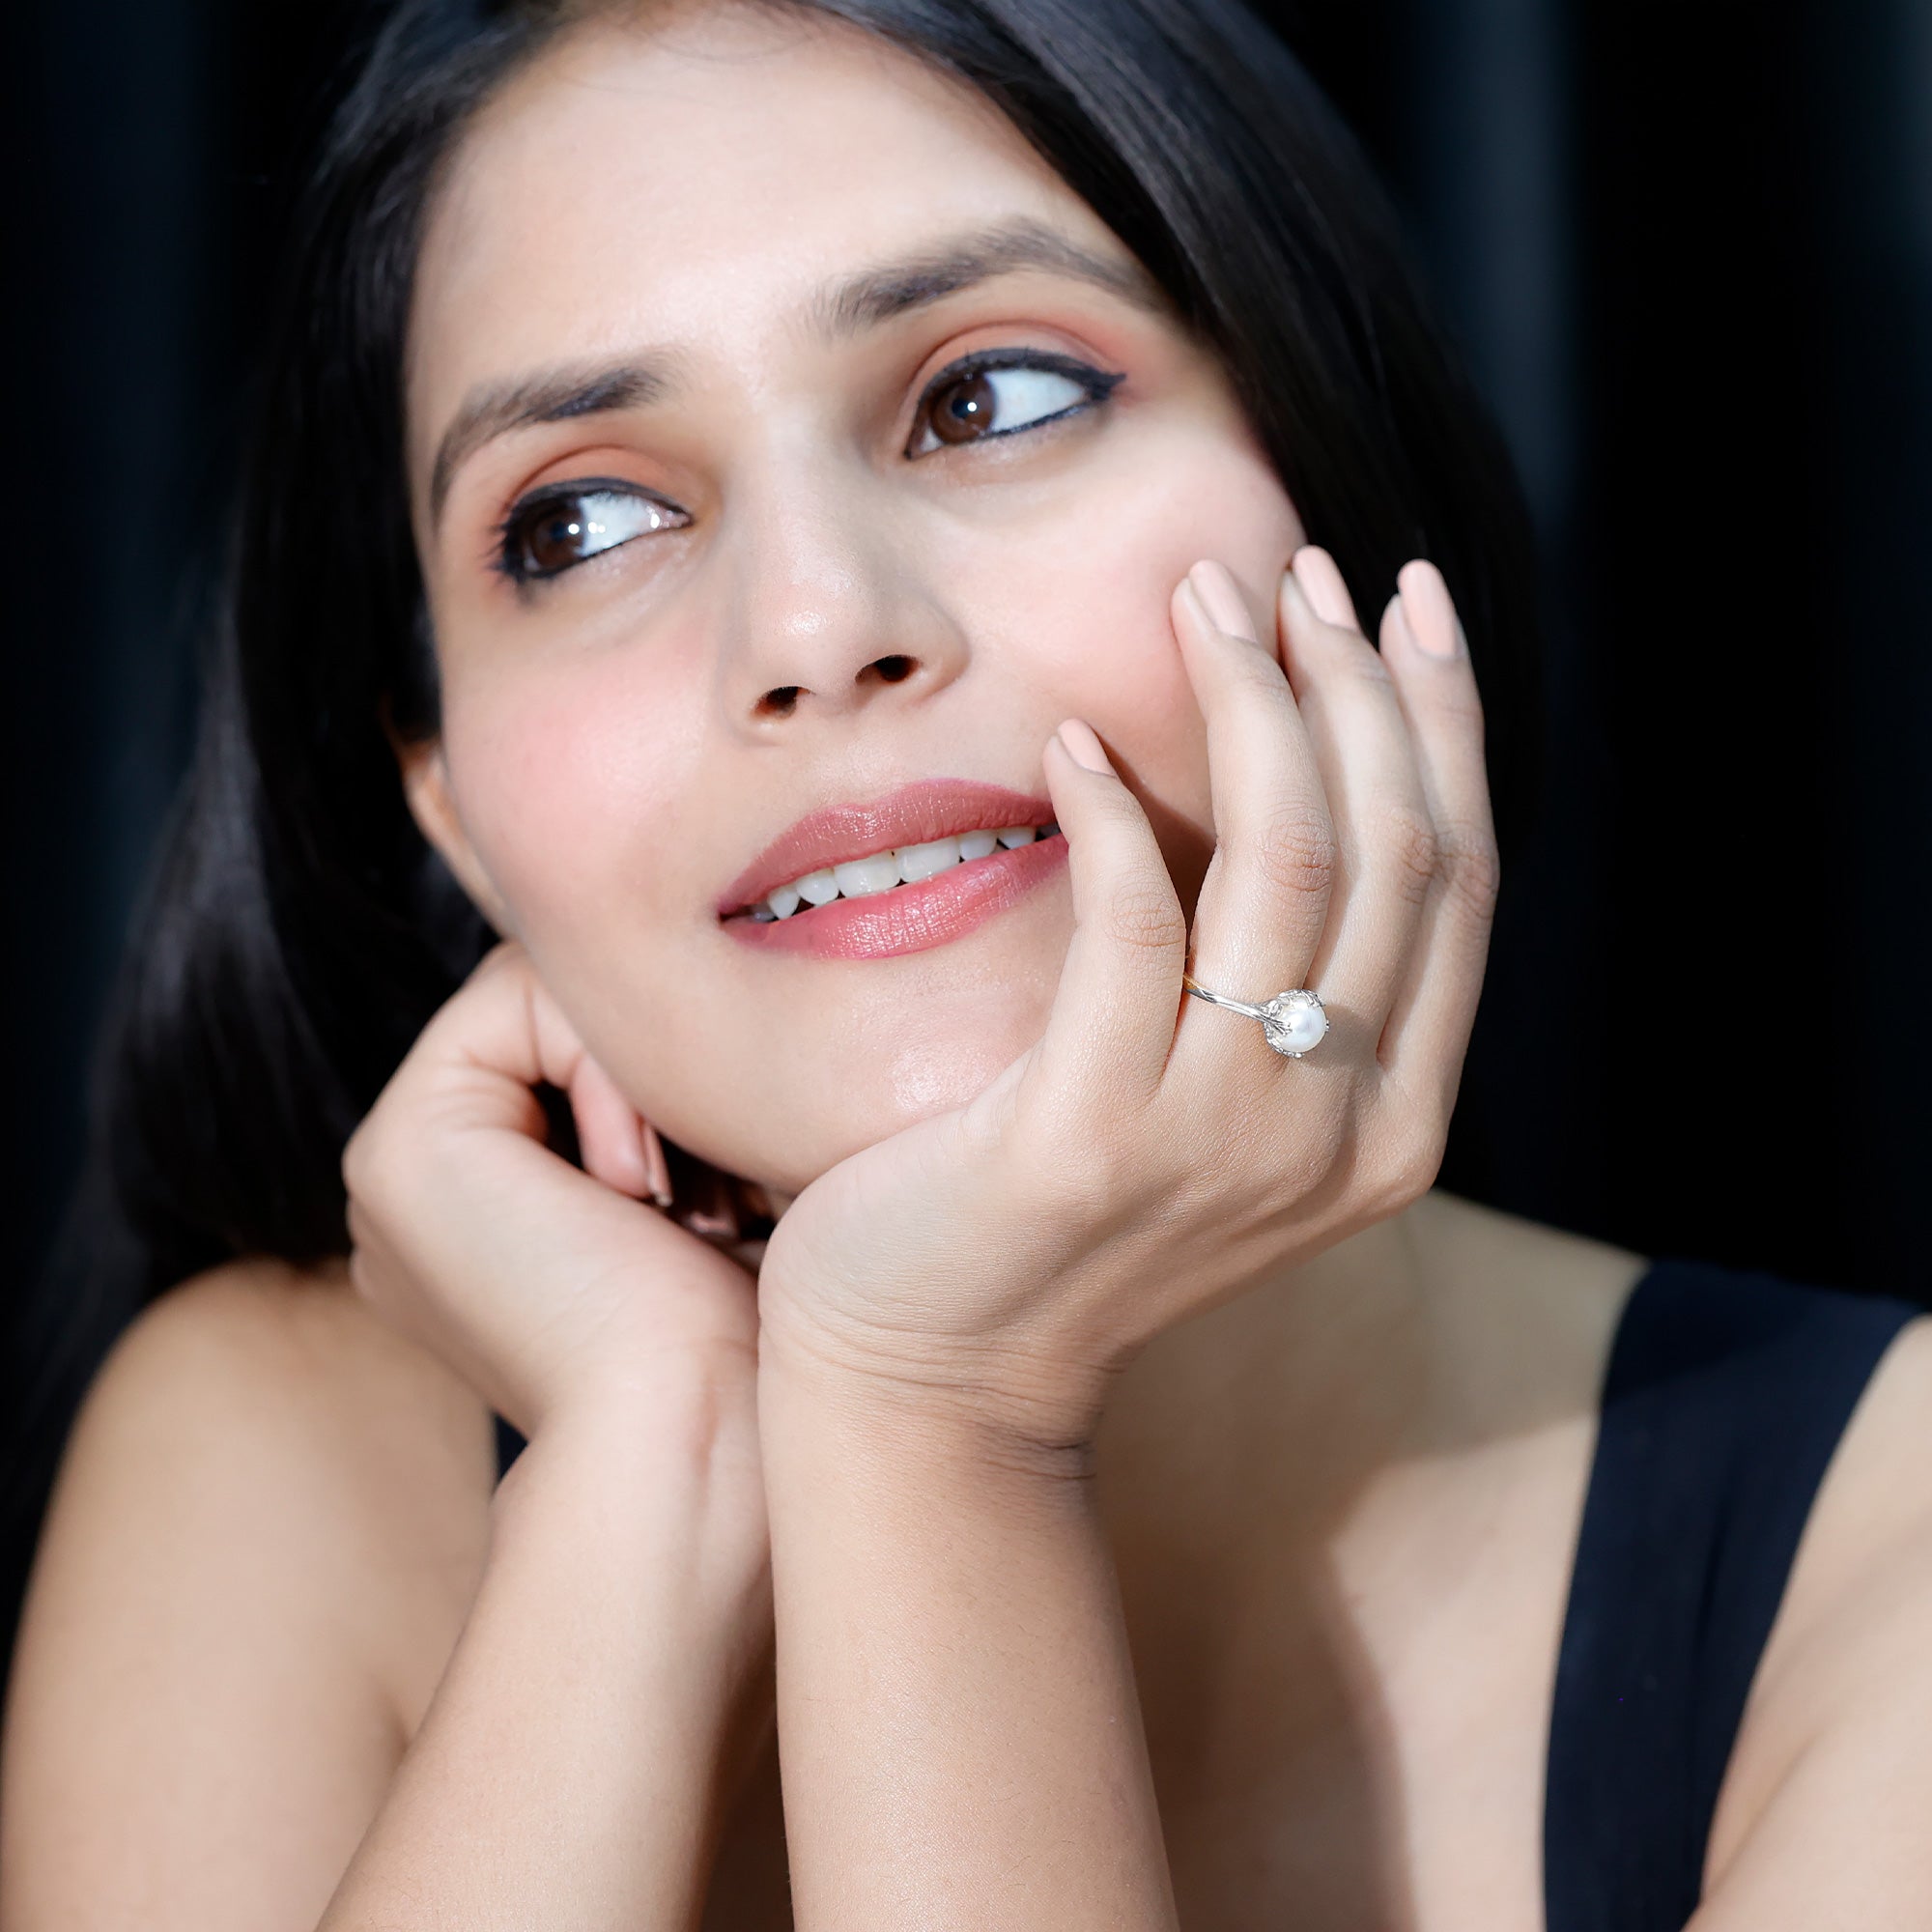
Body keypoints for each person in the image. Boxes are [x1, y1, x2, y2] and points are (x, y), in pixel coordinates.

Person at [3, 1, 1928, 1926]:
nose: (814, 623)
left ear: (1339, 500)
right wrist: (648, 1473)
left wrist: (935, 1407)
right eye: (583, 519)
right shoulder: (273, 1468)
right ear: (454, 816)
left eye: (992, 397)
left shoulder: (1889, 1549)